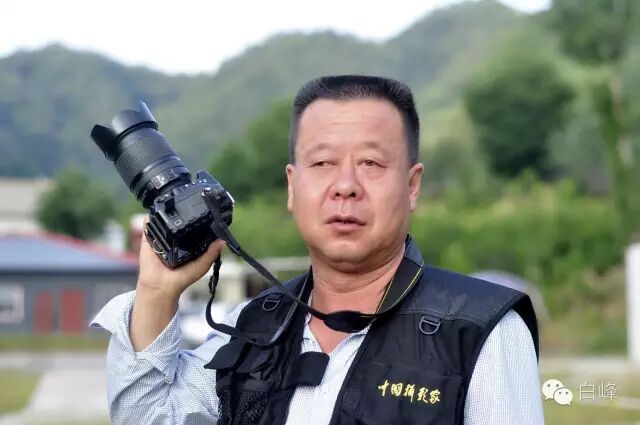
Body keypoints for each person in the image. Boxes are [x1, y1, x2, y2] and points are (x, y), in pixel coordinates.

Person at [92, 75, 544, 425]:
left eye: (370, 163)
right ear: (293, 186)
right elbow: (146, 417)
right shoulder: (251, 329)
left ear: (412, 186)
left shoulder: (480, 333)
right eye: (323, 163)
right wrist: (156, 292)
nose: (345, 185)